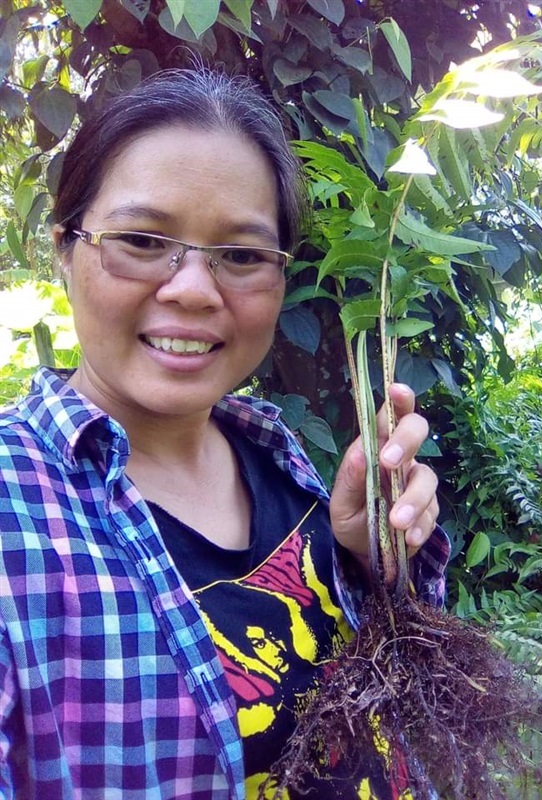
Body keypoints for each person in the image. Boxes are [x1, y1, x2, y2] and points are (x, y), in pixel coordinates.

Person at [0, 68, 450, 800]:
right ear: (62, 249)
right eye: (143, 240)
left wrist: (377, 560)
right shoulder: (16, 519)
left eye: (241, 256)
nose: (193, 290)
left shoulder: (278, 458)